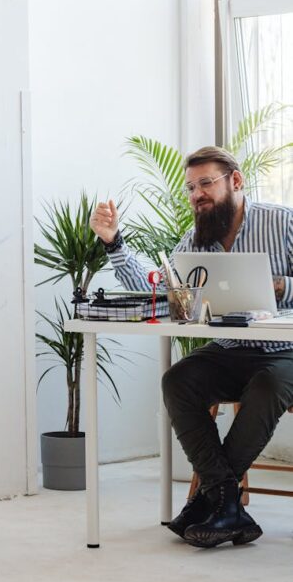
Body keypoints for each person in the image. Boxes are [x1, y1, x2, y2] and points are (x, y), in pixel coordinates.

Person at [90, 145, 293, 548]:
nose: (196, 194)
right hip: (233, 350)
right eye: (190, 187)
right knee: (179, 379)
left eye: (205, 184)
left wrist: (282, 285)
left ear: (235, 181)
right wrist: (113, 243)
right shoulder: (198, 238)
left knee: (267, 386)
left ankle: (211, 500)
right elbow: (159, 289)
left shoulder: (282, 221)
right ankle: (225, 503)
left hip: (286, 352)